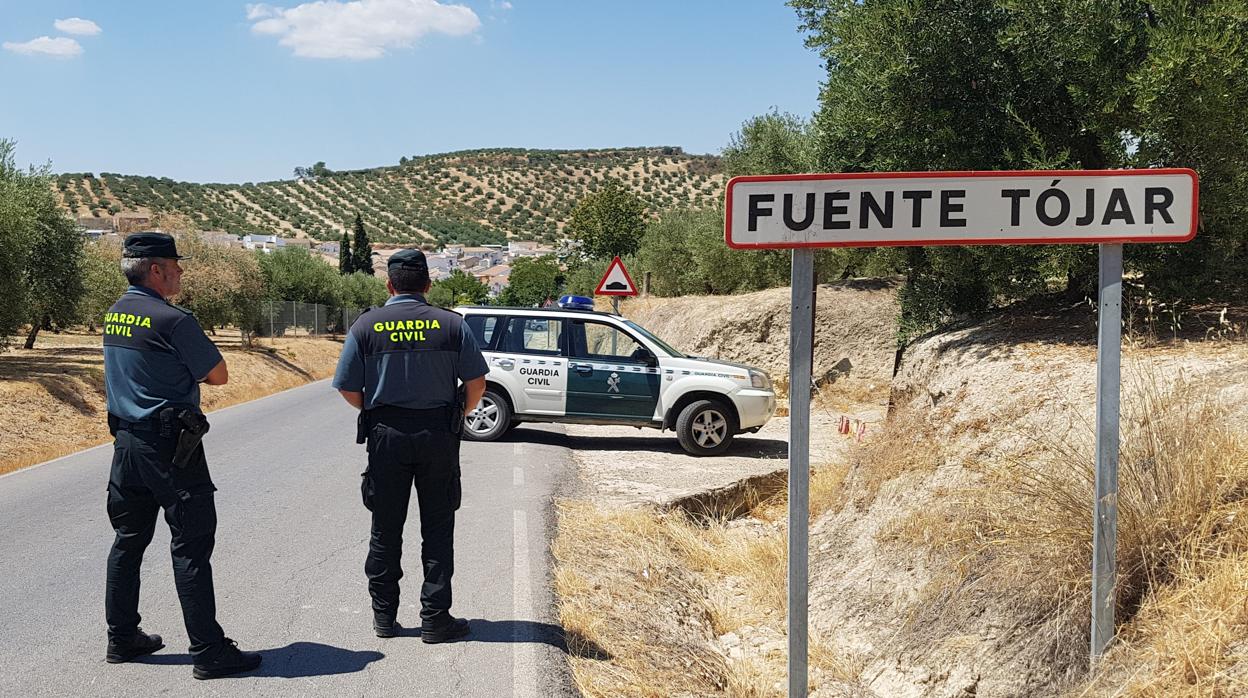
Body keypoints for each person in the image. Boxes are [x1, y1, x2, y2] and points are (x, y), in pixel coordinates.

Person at [102, 232, 262, 680]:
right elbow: (219, 375)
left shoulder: (115, 314)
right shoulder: (172, 319)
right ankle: (209, 651)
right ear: (155, 269)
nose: (181, 271)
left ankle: (122, 637)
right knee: (191, 545)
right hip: (171, 448)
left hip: (126, 445)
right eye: (175, 264)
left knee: (128, 541)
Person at [333, 248, 488, 641]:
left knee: (385, 530)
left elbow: (348, 387)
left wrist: (376, 409)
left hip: (385, 435)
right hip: (438, 435)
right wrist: (459, 416)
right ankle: (436, 619)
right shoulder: (452, 325)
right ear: (427, 284)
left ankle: (384, 618)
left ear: (389, 285)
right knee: (437, 529)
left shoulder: (366, 326)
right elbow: (477, 386)